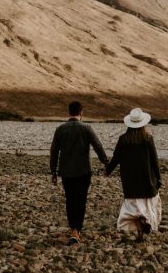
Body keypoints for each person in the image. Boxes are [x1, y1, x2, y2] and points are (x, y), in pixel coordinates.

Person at [50, 101, 108, 244]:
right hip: (83, 171)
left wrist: (54, 171)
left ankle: (73, 229)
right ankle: (77, 229)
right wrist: (106, 162)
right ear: (81, 113)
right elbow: (98, 146)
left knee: (70, 200)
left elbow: (54, 151)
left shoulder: (60, 129)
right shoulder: (87, 127)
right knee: (81, 200)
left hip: (66, 172)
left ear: (69, 112)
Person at [105, 108, 162, 240]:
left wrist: (108, 170)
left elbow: (116, 158)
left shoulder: (123, 139)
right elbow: (154, 160)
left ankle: (140, 228)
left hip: (130, 180)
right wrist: (159, 178)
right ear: (143, 123)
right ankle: (144, 222)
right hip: (147, 179)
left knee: (133, 206)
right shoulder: (148, 139)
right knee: (146, 204)